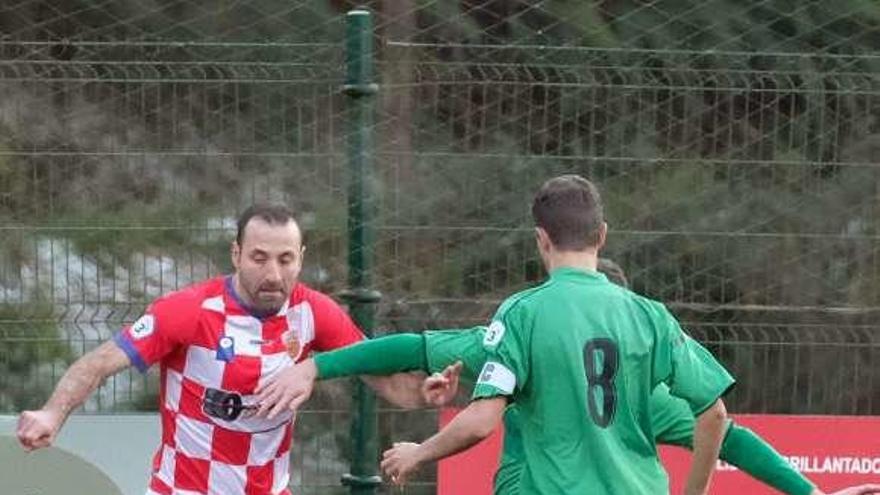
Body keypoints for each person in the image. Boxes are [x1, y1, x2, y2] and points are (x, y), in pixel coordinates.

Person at [261, 175, 732, 494]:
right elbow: (714, 415)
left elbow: (482, 420)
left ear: (541, 240)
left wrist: (419, 452)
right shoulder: (651, 317)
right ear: (602, 235)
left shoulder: (523, 316)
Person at [258, 257, 880, 495]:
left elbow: (412, 347)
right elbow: (727, 431)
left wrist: (321, 363)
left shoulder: (518, 333)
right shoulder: (647, 382)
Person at [16, 203, 430, 495]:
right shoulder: (191, 311)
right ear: (236, 254)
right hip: (183, 489)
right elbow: (100, 362)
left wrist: (424, 392)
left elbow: (388, 383)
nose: (273, 273)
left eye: (285, 259)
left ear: (301, 259)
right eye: (259, 257)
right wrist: (53, 411)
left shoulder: (314, 313)